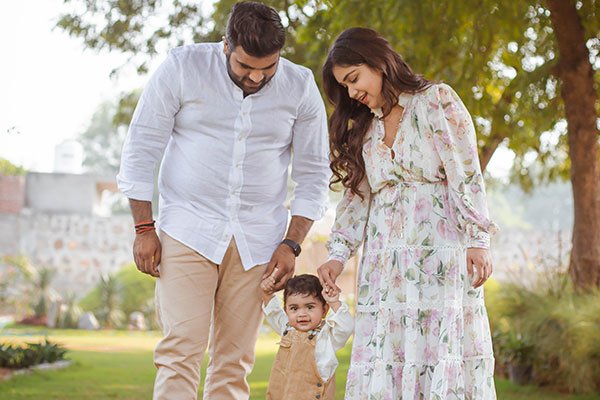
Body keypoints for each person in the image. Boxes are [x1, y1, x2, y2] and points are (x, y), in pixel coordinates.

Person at [116, 2, 330, 398]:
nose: (256, 77)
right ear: (226, 44)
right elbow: (142, 147)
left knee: (234, 360)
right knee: (180, 350)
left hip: (259, 240)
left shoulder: (299, 86)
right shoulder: (183, 68)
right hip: (187, 228)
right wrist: (144, 227)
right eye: (245, 66)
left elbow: (315, 174)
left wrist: (291, 243)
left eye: (267, 68)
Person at [317, 27, 498, 399]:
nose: (351, 93)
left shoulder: (437, 101)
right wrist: (337, 256)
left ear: (379, 62)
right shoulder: (365, 127)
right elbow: (357, 200)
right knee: (388, 356)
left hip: (439, 259)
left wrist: (478, 239)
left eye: (354, 79)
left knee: (438, 353)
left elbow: (466, 174)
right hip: (384, 271)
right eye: (344, 87)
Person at [260, 273, 354, 400]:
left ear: (324, 310)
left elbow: (346, 327)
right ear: (286, 310)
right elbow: (273, 311)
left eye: (310, 307)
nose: (302, 314)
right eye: (294, 308)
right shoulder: (286, 327)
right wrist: (266, 292)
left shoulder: (327, 335)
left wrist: (335, 303)